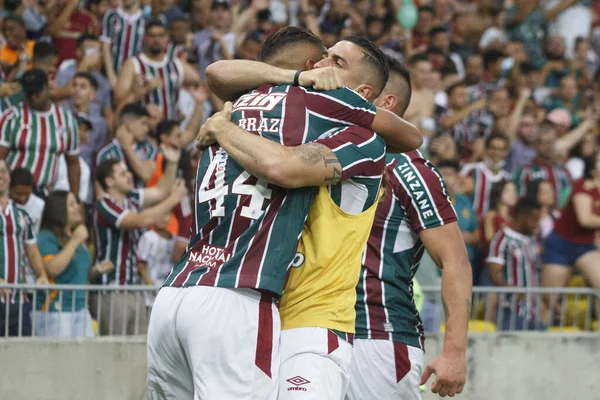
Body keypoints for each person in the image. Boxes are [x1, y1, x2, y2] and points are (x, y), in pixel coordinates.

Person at [148, 28, 421, 399]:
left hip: (312, 321)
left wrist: (221, 127)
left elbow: (287, 168)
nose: (319, 64)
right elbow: (218, 74)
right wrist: (289, 78)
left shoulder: (363, 141)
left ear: (363, 95)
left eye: (335, 61)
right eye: (321, 56)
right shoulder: (287, 112)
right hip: (254, 302)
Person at [347, 56, 470, 400]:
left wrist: (455, 352)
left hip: (378, 335)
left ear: (385, 103)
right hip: (316, 328)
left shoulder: (409, 170)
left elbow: (455, 261)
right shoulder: (324, 153)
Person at [92, 150, 185, 336]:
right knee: (114, 352)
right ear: (109, 181)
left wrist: (172, 163)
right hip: (113, 290)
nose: (129, 175)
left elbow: (160, 191)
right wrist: (173, 200)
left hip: (135, 289)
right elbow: (138, 221)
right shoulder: (105, 204)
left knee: (138, 350)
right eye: (122, 173)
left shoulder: (130, 198)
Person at [33, 190, 113, 337]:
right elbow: (52, 269)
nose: (77, 207)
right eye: (71, 205)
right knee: (60, 358)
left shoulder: (73, 235)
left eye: (76, 203)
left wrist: (96, 270)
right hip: (56, 310)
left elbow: (76, 273)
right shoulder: (47, 236)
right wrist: (75, 241)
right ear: (58, 209)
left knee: (85, 357)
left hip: (81, 308)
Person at [0, 68, 80, 197]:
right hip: (12, 192)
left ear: (47, 88)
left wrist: (74, 196)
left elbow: (73, 162)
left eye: (37, 92)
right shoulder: (11, 116)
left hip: (44, 194)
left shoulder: (66, 121)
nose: (33, 97)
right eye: (29, 92)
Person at [542, 153, 600, 316]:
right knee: (549, 300)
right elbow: (585, 219)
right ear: (594, 169)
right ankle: (539, 336)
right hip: (561, 244)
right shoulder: (582, 185)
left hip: (586, 247)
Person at [0, 159, 49, 337]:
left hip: (18, 301)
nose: (1, 176)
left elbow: (32, 249)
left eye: (4, 171)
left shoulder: (22, 214)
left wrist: (42, 274)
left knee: (21, 358)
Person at [114, 19, 200, 120]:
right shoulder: (133, 64)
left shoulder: (175, 64)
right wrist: (139, 92)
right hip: (143, 130)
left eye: (160, 36)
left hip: (171, 129)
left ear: (167, 38)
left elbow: (198, 81)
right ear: (144, 38)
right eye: (152, 36)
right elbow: (118, 101)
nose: (156, 40)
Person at [487, 197, 545, 331]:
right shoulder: (502, 239)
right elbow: (494, 275)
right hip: (512, 311)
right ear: (522, 216)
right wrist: (512, 290)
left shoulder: (531, 240)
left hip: (534, 314)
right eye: (534, 219)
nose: (536, 224)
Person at [96, 103, 155, 190]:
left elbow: (146, 174)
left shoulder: (150, 148)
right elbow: (101, 191)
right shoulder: (106, 153)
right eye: (143, 124)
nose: (146, 129)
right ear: (129, 124)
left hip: (144, 201)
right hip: (117, 202)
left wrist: (126, 146)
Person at [513, 124, 571, 208]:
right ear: (535, 145)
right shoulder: (525, 171)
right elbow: (518, 199)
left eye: (551, 141)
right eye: (543, 142)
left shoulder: (563, 170)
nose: (548, 146)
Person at [438, 160, 480, 274]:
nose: (445, 179)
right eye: (441, 174)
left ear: (457, 178)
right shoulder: (429, 202)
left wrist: (470, 238)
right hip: (438, 269)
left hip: (464, 267)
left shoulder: (464, 201)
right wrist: (457, 237)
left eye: (449, 175)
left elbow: (476, 232)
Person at [9, 168, 46, 285]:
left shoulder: (40, 206)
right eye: (18, 194)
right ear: (10, 189)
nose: (22, 198)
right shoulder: (6, 206)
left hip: (33, 257)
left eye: (27, 194)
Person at [460, 134, 511, 216]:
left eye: (501, 149)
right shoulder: (470, 170)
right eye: (493, 148)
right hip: (470, 223)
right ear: (486, 149)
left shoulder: (507, 178)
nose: (496, 153)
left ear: (506, 152)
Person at [101, 0, 146, 87]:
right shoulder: (111, 15)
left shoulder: (146, 19)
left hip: (137, 76)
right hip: (114, 72)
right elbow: (105, 46)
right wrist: (111, 75)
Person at [136, 212, 176, 310]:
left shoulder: (175, 239)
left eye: (166, 215)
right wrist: (151, 286)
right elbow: (141, 265)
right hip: (149, 296)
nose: (163, 219)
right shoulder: (148, 236)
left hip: (169, 295)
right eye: (159, 215)